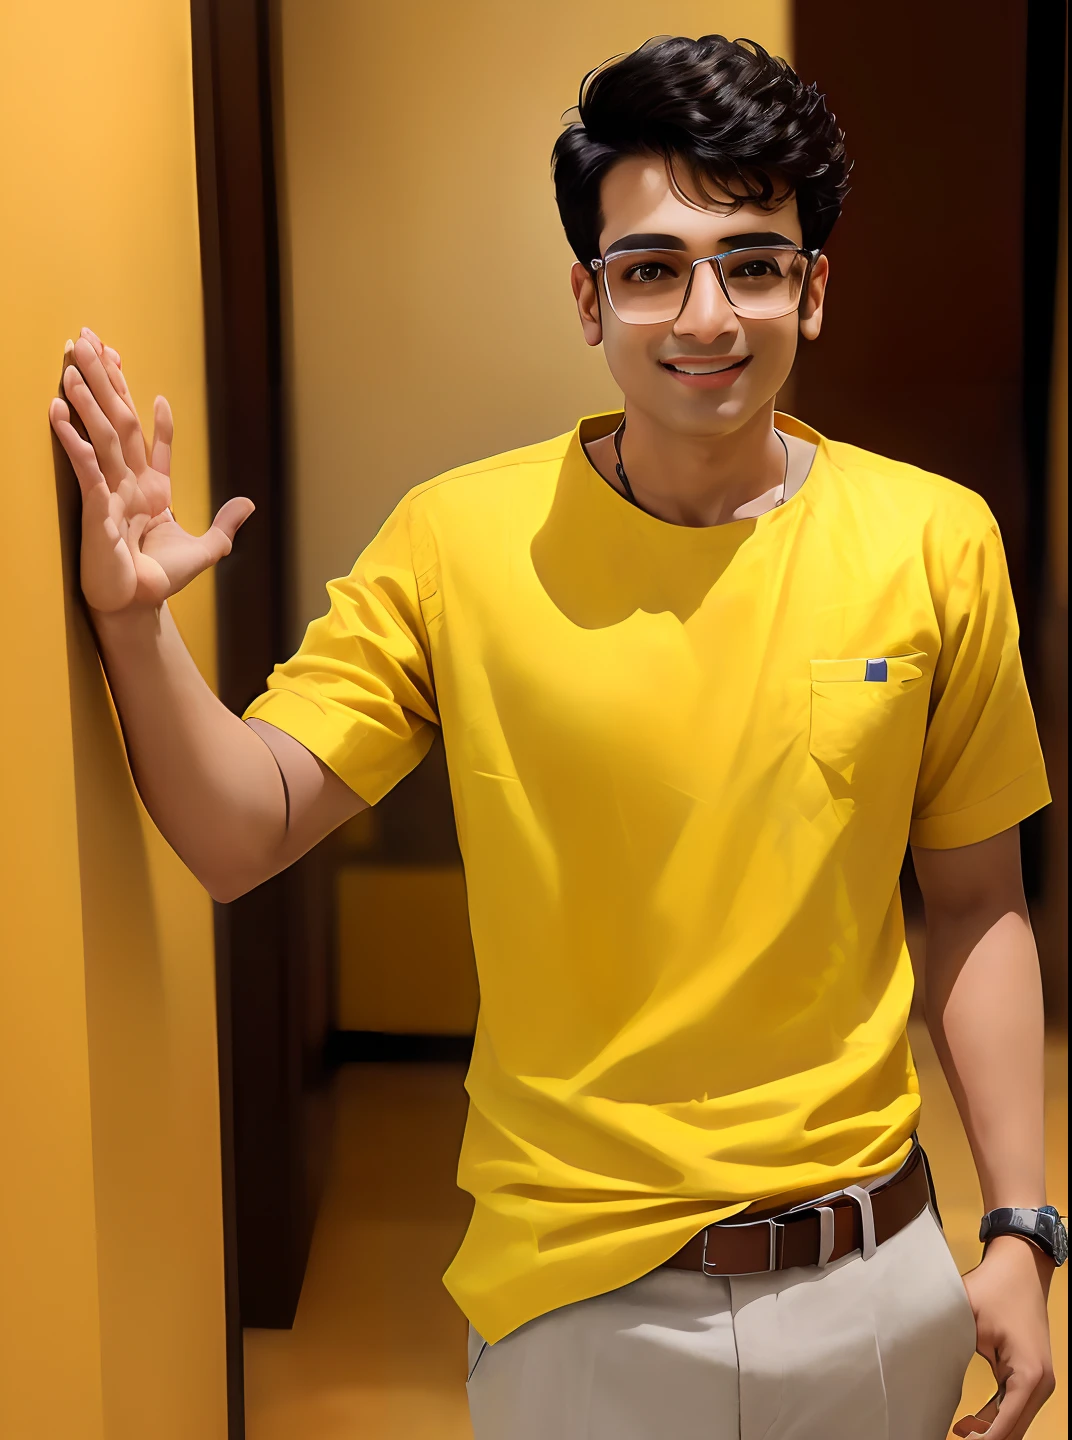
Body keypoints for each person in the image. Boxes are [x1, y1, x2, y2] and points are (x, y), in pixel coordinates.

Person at [48, 33, 1063, 1440]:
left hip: (873, 1283)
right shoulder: (459, 540)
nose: (704, 313)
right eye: (652, 268)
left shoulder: (935, 540)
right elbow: (240, 830)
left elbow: (977, 904)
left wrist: (1022, 1227)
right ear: (589, 300)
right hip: (579, 1308)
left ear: (812, 290)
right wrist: (134, 628)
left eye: (753, 262)